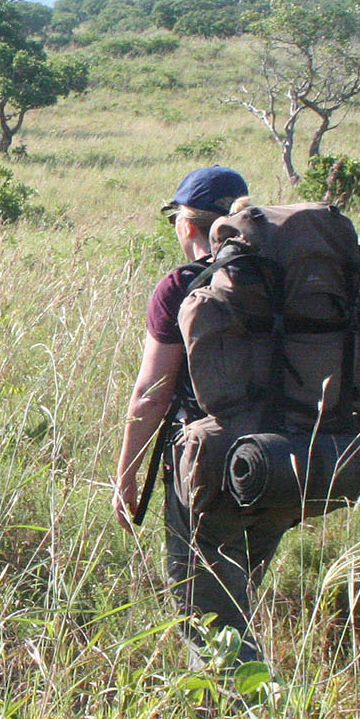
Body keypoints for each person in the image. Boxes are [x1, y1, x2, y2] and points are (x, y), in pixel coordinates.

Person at [113, 166, 300, 668]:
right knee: (234, 594)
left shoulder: (180, 286)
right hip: (285, 462)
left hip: (209, 468)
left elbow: (151, 395)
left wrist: (126, 476)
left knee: (208, 620)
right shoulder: (281, 274)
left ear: (187, 225)